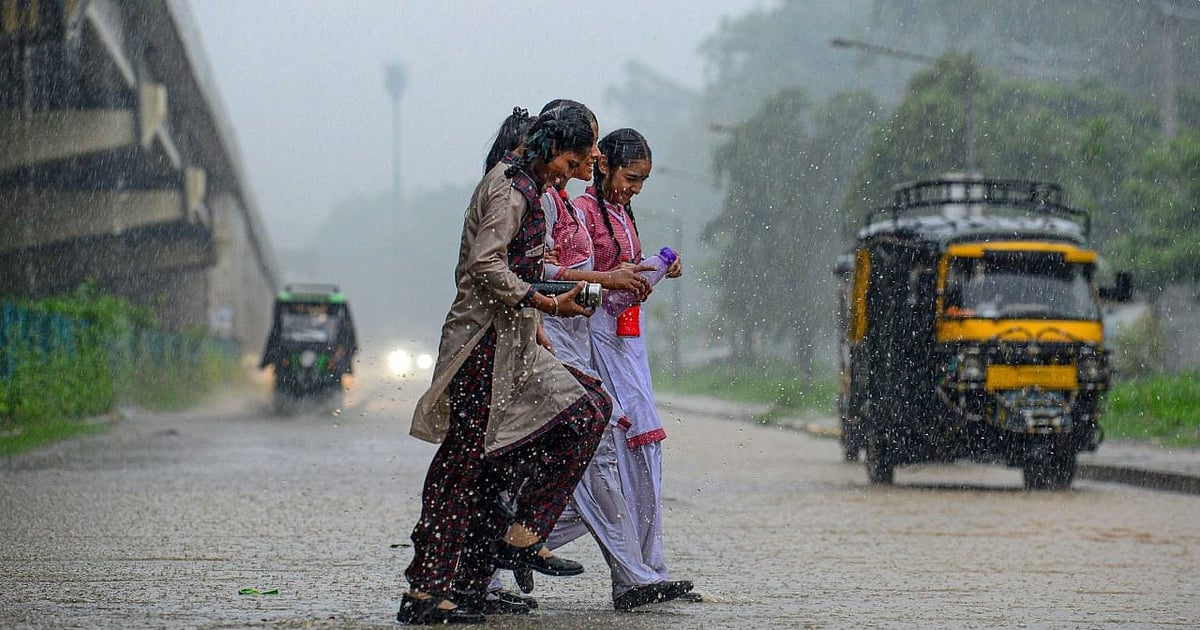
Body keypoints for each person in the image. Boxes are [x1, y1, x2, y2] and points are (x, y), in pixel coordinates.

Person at [399, 102, 611, 626]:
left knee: (585, 412)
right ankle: (427, 591)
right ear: (550, 148)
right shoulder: (511, 188)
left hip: (514, 343)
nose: (572, 173)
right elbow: (485, 263)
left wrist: (540, 311)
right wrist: (545, 304)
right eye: (572, 162)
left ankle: (516, 540)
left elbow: (518, 265)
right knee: (463, 467)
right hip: (481, 346)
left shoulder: (531, 187)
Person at [575, 128, 692, 607]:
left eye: (642, 181)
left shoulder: (622, 214)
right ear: (602, 165)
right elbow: (577, 284)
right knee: (607, 462)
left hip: (627, 344)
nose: (635, 189)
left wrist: (654, 268)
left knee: (642, 455)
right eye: (630, 178)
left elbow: (621, 278)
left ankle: (647, 570)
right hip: (593, 343)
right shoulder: (580, 213)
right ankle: (635, 574)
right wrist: (616, 280)